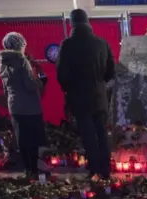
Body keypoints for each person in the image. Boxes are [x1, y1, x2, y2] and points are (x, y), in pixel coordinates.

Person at [57, 9, 116, 180]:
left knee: (88, 134)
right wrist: (99, 83)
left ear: (71, 24)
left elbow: (62, 75)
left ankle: (94, 170)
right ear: (87, 22)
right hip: (99, 96)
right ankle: (105, 170)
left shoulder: (67, 45)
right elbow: (110, 71)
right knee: (102, 133)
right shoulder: (102, 43)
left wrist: (69, 89)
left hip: (79, 97)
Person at [0, 32, 46, 179]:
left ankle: (27, 170)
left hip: (14, 106)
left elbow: (5, 88)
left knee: (22, 139)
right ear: (19, 45)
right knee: (33, 140)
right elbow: (30, 86)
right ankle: (34, 169)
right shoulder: (21, 61)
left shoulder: (2, 63)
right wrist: (42, 79)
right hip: (29, 106)